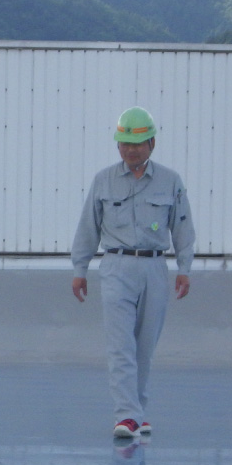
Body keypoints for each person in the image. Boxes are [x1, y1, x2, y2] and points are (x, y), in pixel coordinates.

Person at [71, 106, 195, 439]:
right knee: (120, 345)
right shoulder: (103, 180)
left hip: (155, 267)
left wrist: (184, 268)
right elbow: (88, 227)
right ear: (118, 146)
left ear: (152, 144)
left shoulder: (171, 181)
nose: (131, 149)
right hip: (116, 267)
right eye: (125, 143)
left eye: (138, 144)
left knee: (144, 346)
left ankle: (137, 411)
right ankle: (126, 415)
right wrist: (80, 269)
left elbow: (182, 226)